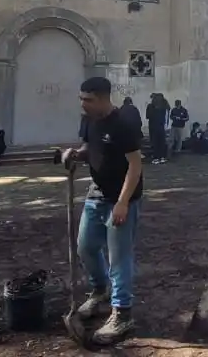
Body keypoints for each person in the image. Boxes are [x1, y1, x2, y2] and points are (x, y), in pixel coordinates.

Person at [63, 77, 145, 345]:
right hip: (95, 193)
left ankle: (122, 313)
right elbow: (89, 147)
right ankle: (100, 290)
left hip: (122, 199)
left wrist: (123, 202)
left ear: (102, 98)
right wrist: (75, 154)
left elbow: (135, 165)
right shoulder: (88, 120)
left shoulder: (124, 124)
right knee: (85, 247)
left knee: (119, 256)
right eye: (81, 99)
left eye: (87, 99)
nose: (82, 104)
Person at [146, 94, 169, 164]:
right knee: (161, 142)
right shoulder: (164, 106)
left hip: (153, 127)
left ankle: (156, 158)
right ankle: (162, 157)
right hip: (161, 126)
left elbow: (147, 116)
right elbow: (166, 116)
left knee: (155, 142)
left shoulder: (150, 106)